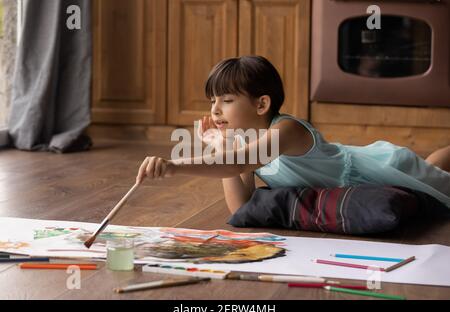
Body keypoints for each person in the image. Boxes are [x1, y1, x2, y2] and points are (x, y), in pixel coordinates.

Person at [135, 56, 450, 213]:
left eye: (227, 101)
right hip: (360, 185)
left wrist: (175, 165)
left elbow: (235, 164)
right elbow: (240, 205)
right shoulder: (244, 145)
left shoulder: (287, 130)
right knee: (436, 168)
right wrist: (224, 143)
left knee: (437, 179)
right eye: (212, 102)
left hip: (383, 167)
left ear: (262, 104)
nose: (215, 110)